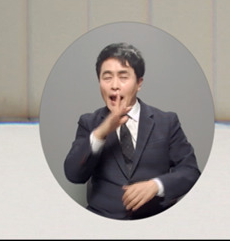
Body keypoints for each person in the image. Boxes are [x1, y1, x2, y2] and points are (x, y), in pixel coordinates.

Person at [63, 42, 200, 219]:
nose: (114, 85)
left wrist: (156, 185)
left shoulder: (166, 121)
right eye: (107, 77)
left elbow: (191, 171)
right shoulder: (89, 123)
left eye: (123, 77)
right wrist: (101, 132)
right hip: (101, 220)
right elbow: (74, 174)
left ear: (139, 83)